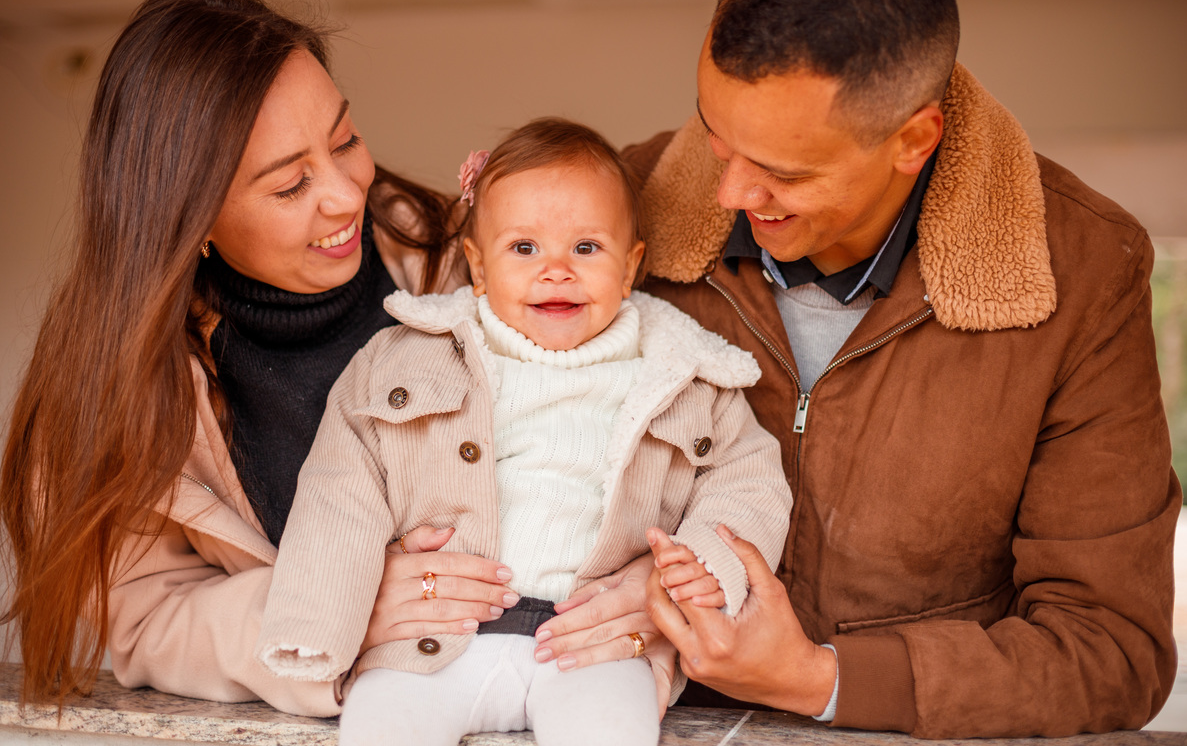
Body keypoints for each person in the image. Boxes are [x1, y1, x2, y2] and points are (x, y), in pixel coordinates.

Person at [0, 0, 658, 716]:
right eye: (290, 185)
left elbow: (649, 459)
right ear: (190, 219)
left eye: (345, 140)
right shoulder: (126, 388)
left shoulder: (470, 269)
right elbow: (149, 618)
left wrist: (647, 589)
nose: (346, 194)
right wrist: (330, 613)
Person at [624, 0, 1181, 738]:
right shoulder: (610, 209)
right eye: (715, 136)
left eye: (786, 172)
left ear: (914, 140)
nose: (731, 192)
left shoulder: (1086, 269)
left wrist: (819, 679)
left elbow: (1110, 652)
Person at [254, 118, 792, 746]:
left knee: (613, 733)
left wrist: (705, 564)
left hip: (593, 644)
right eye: (524, 248)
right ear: (478, 267)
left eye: (586, 248)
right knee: (381, 728)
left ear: (630, 267)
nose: (556, 270)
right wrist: (315, 624)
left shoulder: (686, 374)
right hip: (431, 641)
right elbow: (339, 489)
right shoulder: (402, 359)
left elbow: (748, 480)